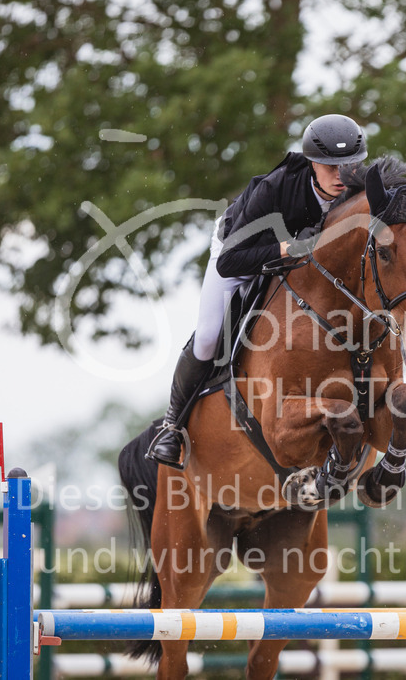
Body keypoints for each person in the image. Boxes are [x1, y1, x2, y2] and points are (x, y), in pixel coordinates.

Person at [147, 114, 369, 468]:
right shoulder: (276, 187)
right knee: (207, 337)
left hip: (307, 270)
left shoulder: (361, 189)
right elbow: (230, 262)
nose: (341, 176)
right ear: (313, 163)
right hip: (242, 251)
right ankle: (172, 426)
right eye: (331, 167)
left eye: (350, 165)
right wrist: (288, 250)